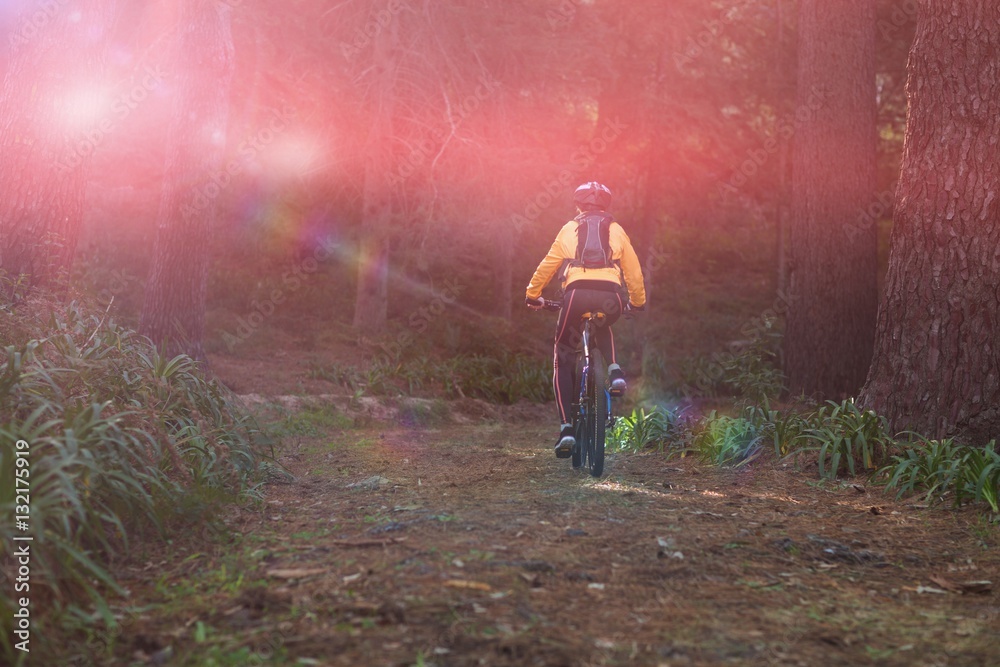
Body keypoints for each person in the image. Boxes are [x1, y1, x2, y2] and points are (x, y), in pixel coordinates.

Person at [525, 181, 646, 458]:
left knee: (564, 353)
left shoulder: (569, 228)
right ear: (607, 206)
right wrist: (637, 302)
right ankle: (614, 371)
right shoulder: (616, 229)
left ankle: (567, 427)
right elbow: (634, 271)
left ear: (577, 205)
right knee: (603, 321)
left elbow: (548, 264)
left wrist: (533, 295)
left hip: (575, 296)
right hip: (611, 297)